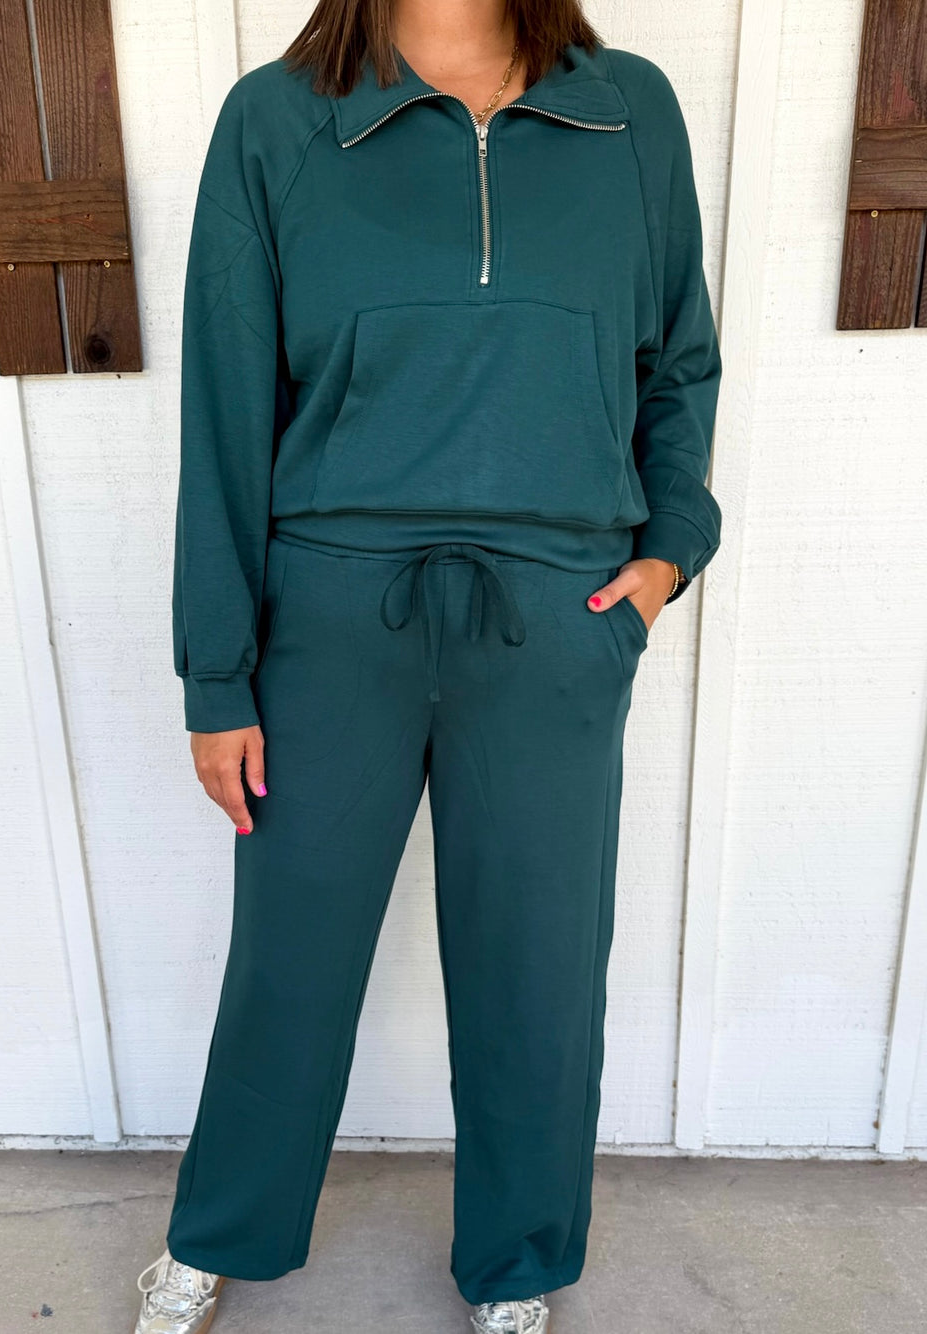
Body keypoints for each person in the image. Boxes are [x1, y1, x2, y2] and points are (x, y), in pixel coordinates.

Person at [132, 0, 722, 1329]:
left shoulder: (628, 109)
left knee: (539, 966)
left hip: (558, 611)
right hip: (332, 615)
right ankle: (218, 1231)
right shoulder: (278, 121)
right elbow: (225, 408)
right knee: (289, 955)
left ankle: (519, 1264)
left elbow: (679, 359)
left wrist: (667, 554)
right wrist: (217, 674)